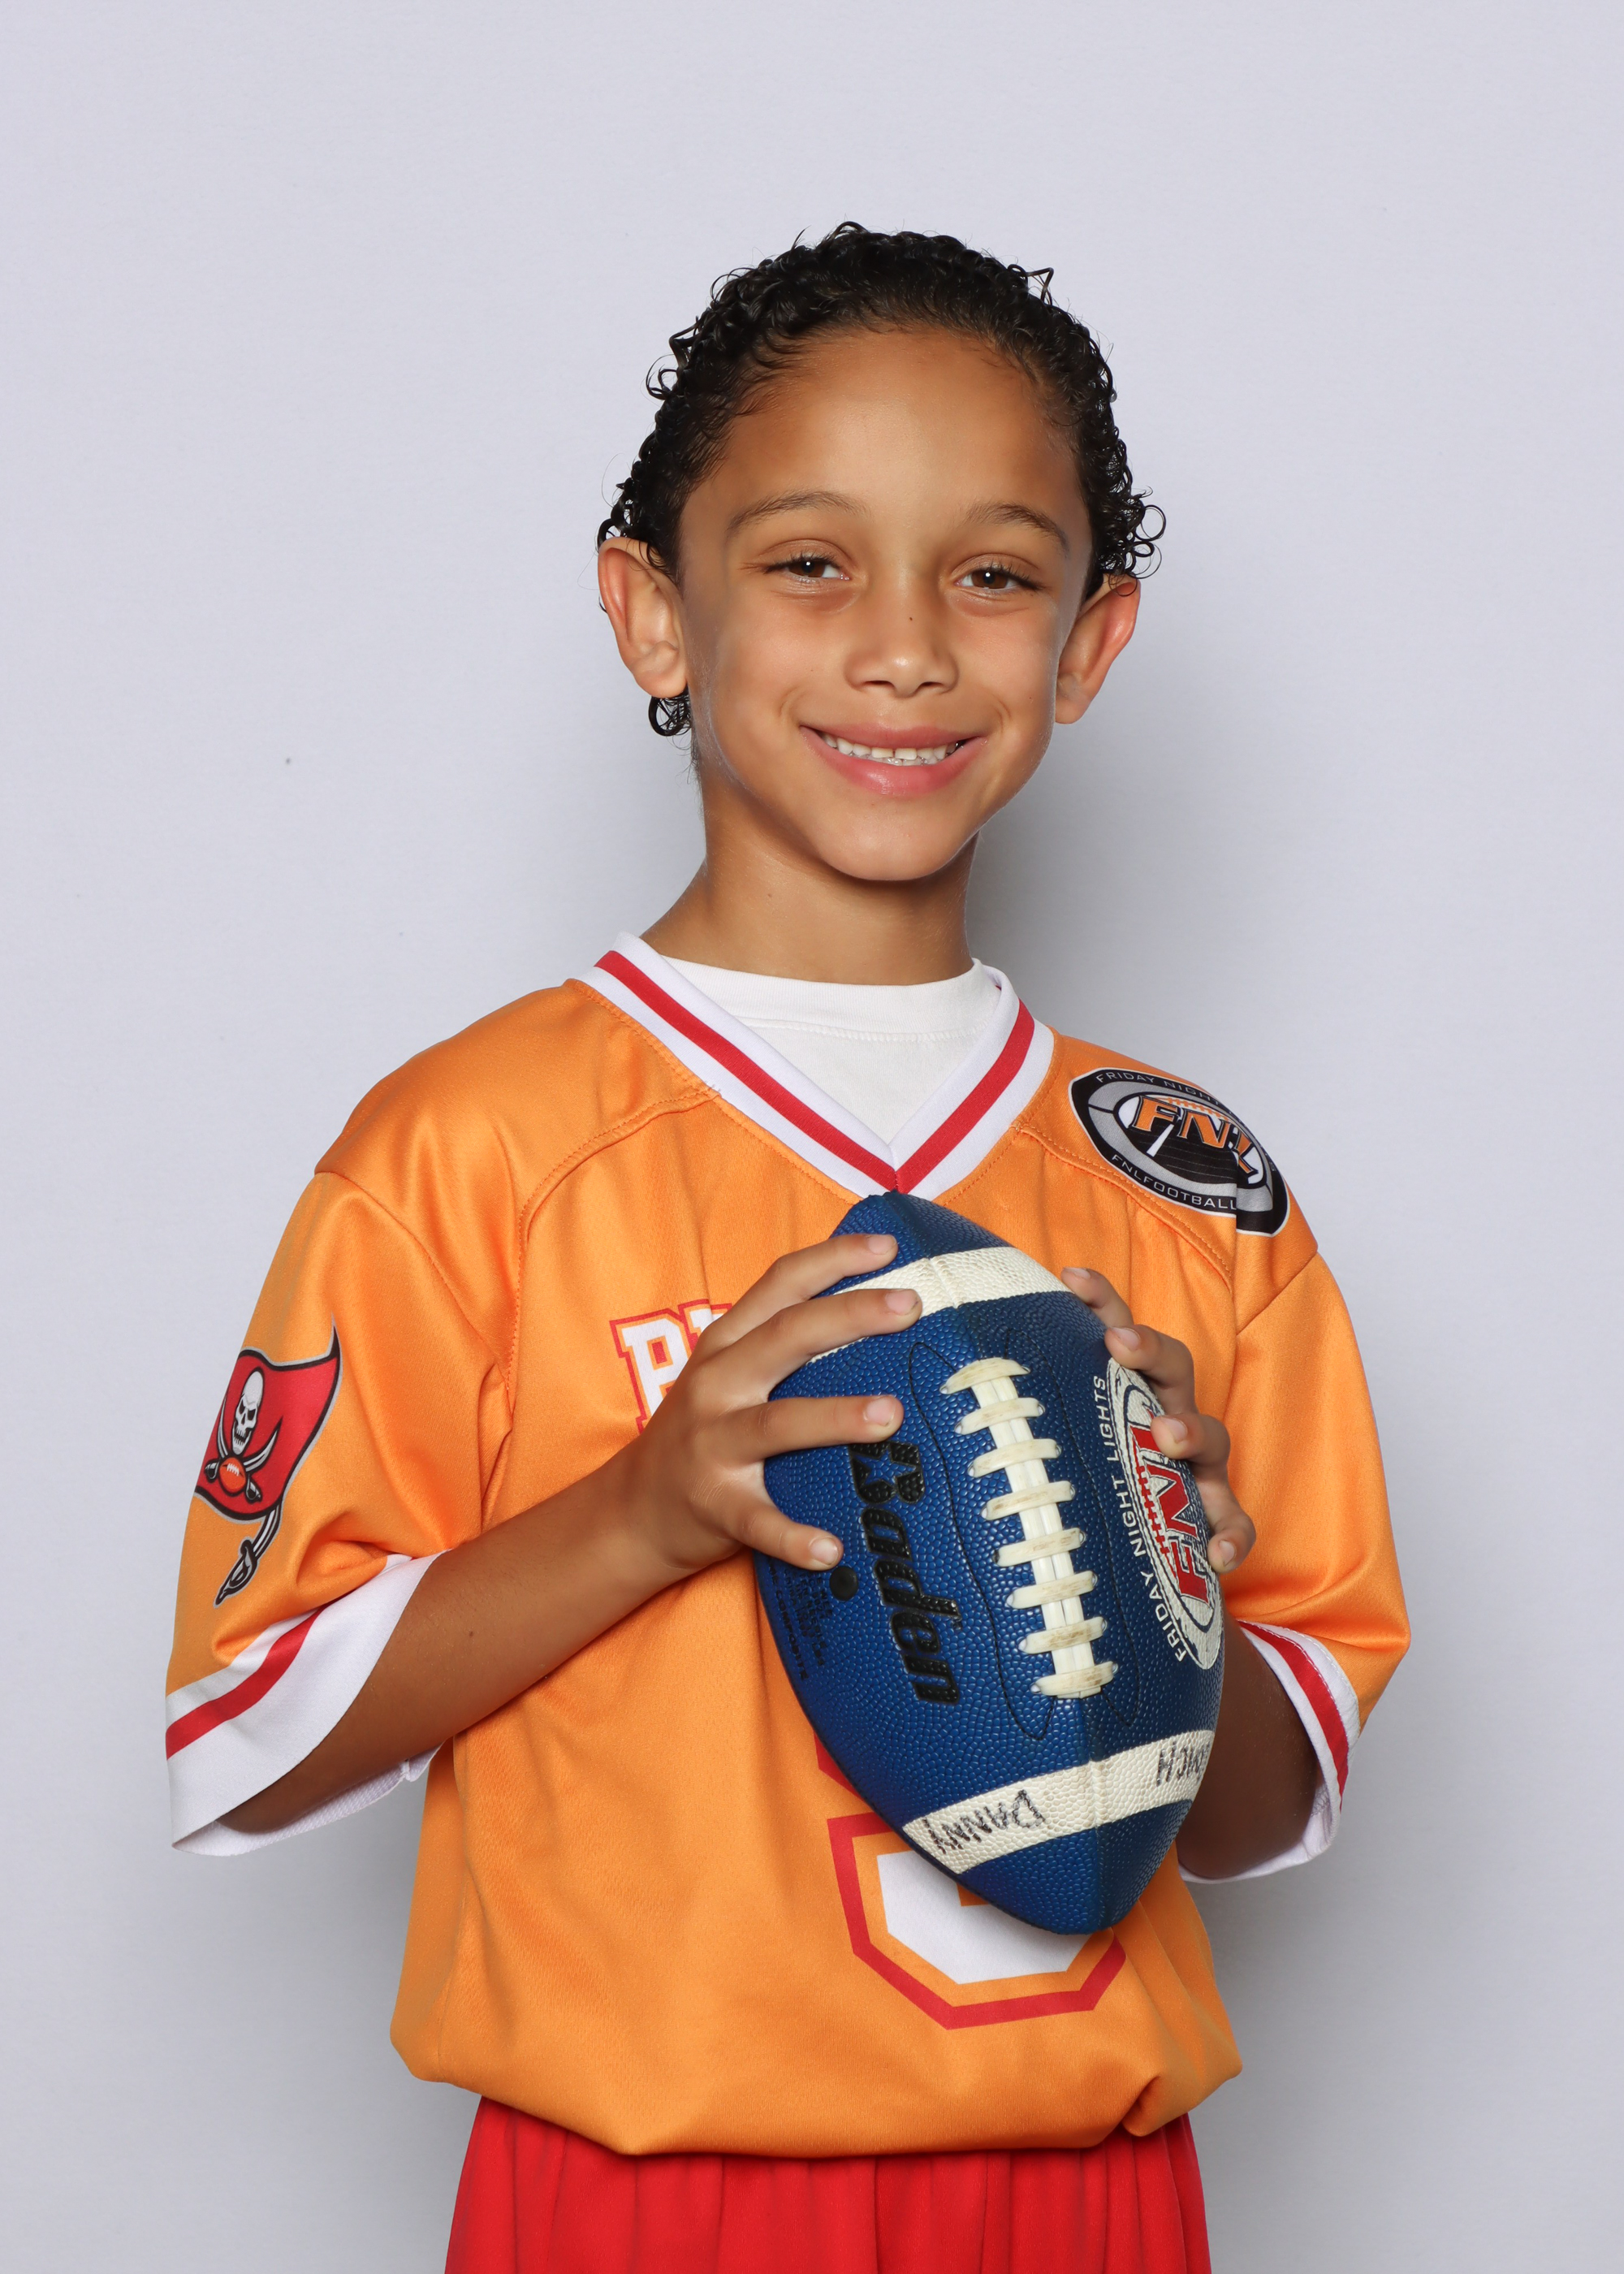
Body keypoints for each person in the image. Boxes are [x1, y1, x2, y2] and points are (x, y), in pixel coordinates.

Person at [165, 224, 1408, 2274]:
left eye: (991, 574)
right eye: (812, 561)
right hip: (638, 2196)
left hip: (1081, 2189)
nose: (903, 646)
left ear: (1089, 643)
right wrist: (644, 1509)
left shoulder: (1184, 1185)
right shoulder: (473, 1145)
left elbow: (1270, 1809)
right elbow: (243, 1729)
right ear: (654, 611)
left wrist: (1164, 1588)